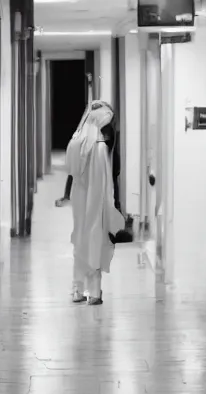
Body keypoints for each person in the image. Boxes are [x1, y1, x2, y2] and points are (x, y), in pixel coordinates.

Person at [68, 100, 126, 305]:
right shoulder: (100, 148)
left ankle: (76, 289)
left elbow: (71, 175)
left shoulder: (76, 142)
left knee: (79, 239)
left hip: (78, 203)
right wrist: (113, 206)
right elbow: (105, 184)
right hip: (95, 203)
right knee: (94, 241)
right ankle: (94, 292)